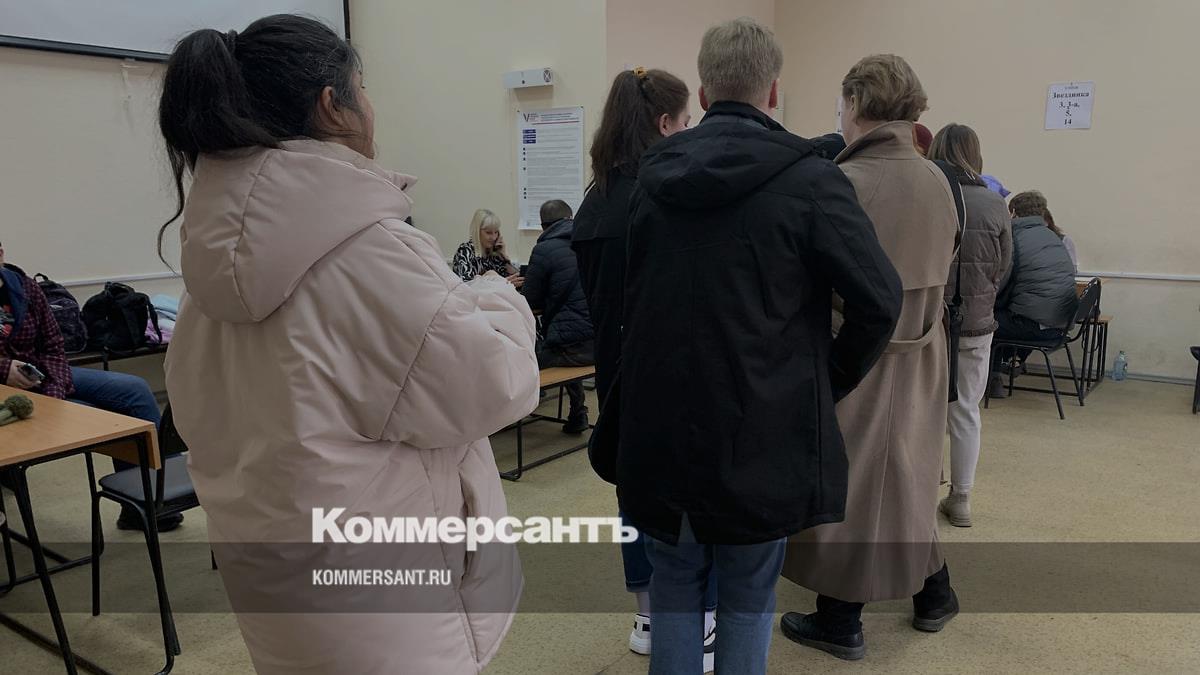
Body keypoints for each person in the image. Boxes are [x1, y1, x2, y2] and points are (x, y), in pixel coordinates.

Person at [157, 15, 538, 674]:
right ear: (333, 104)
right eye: (363, 88)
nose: (371, 107)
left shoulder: (208, 268)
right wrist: (497, 297)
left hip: (275, 588)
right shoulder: (370, 252)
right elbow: (497, 384)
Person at [617, 20, 903, 673]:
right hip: (762, 426)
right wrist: (825, 380)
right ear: (773, 91)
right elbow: (880, 300)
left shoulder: (650, 180)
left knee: (674, 589)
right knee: (747, 597)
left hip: (662, 424)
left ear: (702, 91)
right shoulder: (812, 181)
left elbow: (633, 297)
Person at [780, 54, 961, 661]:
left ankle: (840, 618)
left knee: (854, 485)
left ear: (855, 102)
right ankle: (935, 593)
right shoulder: (939, 180)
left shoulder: (847, 182)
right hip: (924, 351)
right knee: (907, 477)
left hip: (856, 353)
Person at [572, 66, 722, 666]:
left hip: (616, 377)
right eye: (685, 122)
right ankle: (702, 620)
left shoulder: (593, 201)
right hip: (672, 374)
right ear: (664, 124)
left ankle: (646, 615)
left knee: (632, 495)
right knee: (691, 501)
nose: (688, 132)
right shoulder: (665, 199)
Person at [0, 246, 176, 531]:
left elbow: (53, 346)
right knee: (96, 415)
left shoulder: (25, 287)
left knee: (133, 390)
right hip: (5, 390)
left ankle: (151, 500)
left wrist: (54, 393)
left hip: (41, 376)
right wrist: (4, 368)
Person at [927, 124, 1013, 527]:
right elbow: (1005, 266)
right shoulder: (995, 204)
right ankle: (961, 498)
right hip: (977, 322)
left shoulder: (930, 196)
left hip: (930, 321)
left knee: (924, 410)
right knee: (966, 412)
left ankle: (921, 492)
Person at [989, 190, 1080, 397]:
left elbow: (999, 282)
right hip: (1060, 326)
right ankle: (1008, 365)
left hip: (1034, 326)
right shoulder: (1055, 238)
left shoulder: (1014, 238)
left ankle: (992, 380)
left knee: (984, 321)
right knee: (1007, 316)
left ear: (1013, 212)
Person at [523, 199, 592, 433]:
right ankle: (578, 413)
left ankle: (507, 418)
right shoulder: (588, 241)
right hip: (602, 342)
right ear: (571, 218)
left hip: (571, 348)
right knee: (566, 336)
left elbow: (530, 300)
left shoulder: (543, 250)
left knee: (522, 359)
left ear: (543, 226)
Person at [452, 208, 522, 286]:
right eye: (488, 233)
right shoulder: (465, 251)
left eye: (496, 232)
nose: (494, 237)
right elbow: (467, 286)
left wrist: (503, 256)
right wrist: (502, 284)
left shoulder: (493, 253)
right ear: (477, 231)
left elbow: (516, 277)